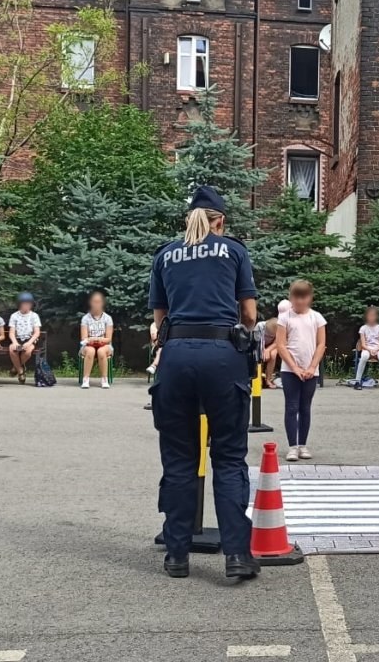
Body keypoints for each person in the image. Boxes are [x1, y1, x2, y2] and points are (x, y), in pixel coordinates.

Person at [148, 185, 261, 580]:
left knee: (178, 458)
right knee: (229, 457)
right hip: (221, 356)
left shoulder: (165, 254)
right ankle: (236, 555)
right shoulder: (233, 251)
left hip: (176, 357)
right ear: (220, 221)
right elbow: (248, 313)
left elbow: (160, 320)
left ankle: (176, 555)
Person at [276, 279, 327, 462]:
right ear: (291, 297)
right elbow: (281, 345)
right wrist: (294, 367)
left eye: (303, 297)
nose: (299, 301)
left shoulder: (317, 317)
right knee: (291, 407)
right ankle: (292, 446)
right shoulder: (285, 317)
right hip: (289, 371)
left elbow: (321, 344)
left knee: (305, 407)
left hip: (310, 371)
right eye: (296, 297)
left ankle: (303, 444)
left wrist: (312, 367)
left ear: (310, 298)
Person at [79, 290, 114, 389]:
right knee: (90, 351)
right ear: (90, 303)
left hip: (104, 345)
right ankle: (86, 379)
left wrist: (100, 340)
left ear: (102, 303)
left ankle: (104, 379)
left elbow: (108, 339)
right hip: (89, 345)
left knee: (101, 351)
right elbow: (84, 338)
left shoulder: (108, 318)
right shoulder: (85, 318)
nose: (96, 304)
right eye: (94, 301)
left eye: (98, 302)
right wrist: (91, 340)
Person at [8, 292, 41, 385]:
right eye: (24, 303)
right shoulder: (14, 316)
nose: (27, 305)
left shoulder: (34, 316)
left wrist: (29, 342)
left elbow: (37, 332)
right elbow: (11, 332)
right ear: (20, 304)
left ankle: (16, 368)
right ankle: (21, 371)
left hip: (29, 339)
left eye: (29, 303)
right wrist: (14, 342)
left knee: (28, 351)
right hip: (18, 339)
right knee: (12, 349)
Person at [354, 306, 379, 390]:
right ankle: (357, 381)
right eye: (370, 315)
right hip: (366, 349)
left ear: (376, 317)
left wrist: (376, 350)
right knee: (363, 357)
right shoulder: (363, 328)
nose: (371, 317)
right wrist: (370, 350)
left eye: (373, 315)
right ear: (366, 317)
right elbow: (363, 344)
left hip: (378, 349)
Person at [260, 317, 279, 388]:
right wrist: (263, 350)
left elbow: (278, 341)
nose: (269, 337)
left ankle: (268, 379)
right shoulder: (260, 326)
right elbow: (258, 340)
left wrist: (268, 350)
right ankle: (259, 378)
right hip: (261, 344)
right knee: (260, 355)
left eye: (271, 336)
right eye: (268, 335)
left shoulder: (281, 328)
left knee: (273, 354)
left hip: (275, 345)